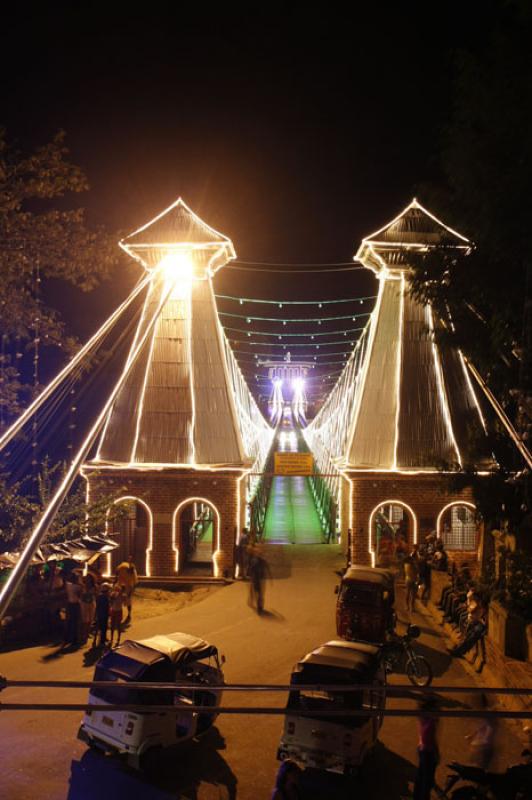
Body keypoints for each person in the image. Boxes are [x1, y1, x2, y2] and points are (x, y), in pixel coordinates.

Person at [413, 696, 440, 800]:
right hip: (428, 752)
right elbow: (431, 739)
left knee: (420, 778)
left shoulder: (424, 718)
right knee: (426, 782)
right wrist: (437, 753)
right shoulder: (431, 723)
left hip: (421, 749)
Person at [247, 546, 272, 615]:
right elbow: (251, 569)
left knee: (259, 594)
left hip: (260, 579)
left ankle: (259, 607)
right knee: (258, 594)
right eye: (258, 553)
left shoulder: (259, 560)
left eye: (259, 553)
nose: (259, 554)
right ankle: (259, 607)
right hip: (257, 579)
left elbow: (267, 568)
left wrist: (270, 578)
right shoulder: (255, 560)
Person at [115, 554, 138, 623]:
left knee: (127, 601)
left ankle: (128, 614)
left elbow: (134, 581)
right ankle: (122, 615)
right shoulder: (122, 567)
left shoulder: (132, 570)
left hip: (127, 587)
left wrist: (131, 589)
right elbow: (117, 574)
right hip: (121, 586)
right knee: (120, 601)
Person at [64, 572, 82, 648]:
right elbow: (79, 595)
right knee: (74, 622)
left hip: (71, 604)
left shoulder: (68, 585)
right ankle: (73, 639)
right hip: (75, 604)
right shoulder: (77, 586)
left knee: (70, 621)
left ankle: (68, 638)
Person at [79, 572, 97, 644]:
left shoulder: (94, 587)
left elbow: (96, 594)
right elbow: (80, 594)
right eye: (86, 578)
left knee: (90, 619)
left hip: (91, 603)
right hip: (84, 603)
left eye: (88, 578)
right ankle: (84, 634)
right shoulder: (82, 586)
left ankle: (87, 633)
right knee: (84, 620)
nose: (87, 580)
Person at [94, 582, 110, 648]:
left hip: (100, 613)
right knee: (104, 627)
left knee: (100, 627)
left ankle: (100, 639)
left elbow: (97, 606)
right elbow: (107, 606)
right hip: (104, 614)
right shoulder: (105, 597)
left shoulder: (99, 596)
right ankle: (102, 640)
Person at [109, 583, 124, 648]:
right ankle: (112, 638)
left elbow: (123, 601)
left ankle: (118, 638)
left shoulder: (122, 595)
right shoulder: (113, 594)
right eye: (116, 588)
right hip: (114, 610)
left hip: (118, 611)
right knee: (112, 625)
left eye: (118, 589)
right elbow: (111, 602)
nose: (117, 590)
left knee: (118, 625)